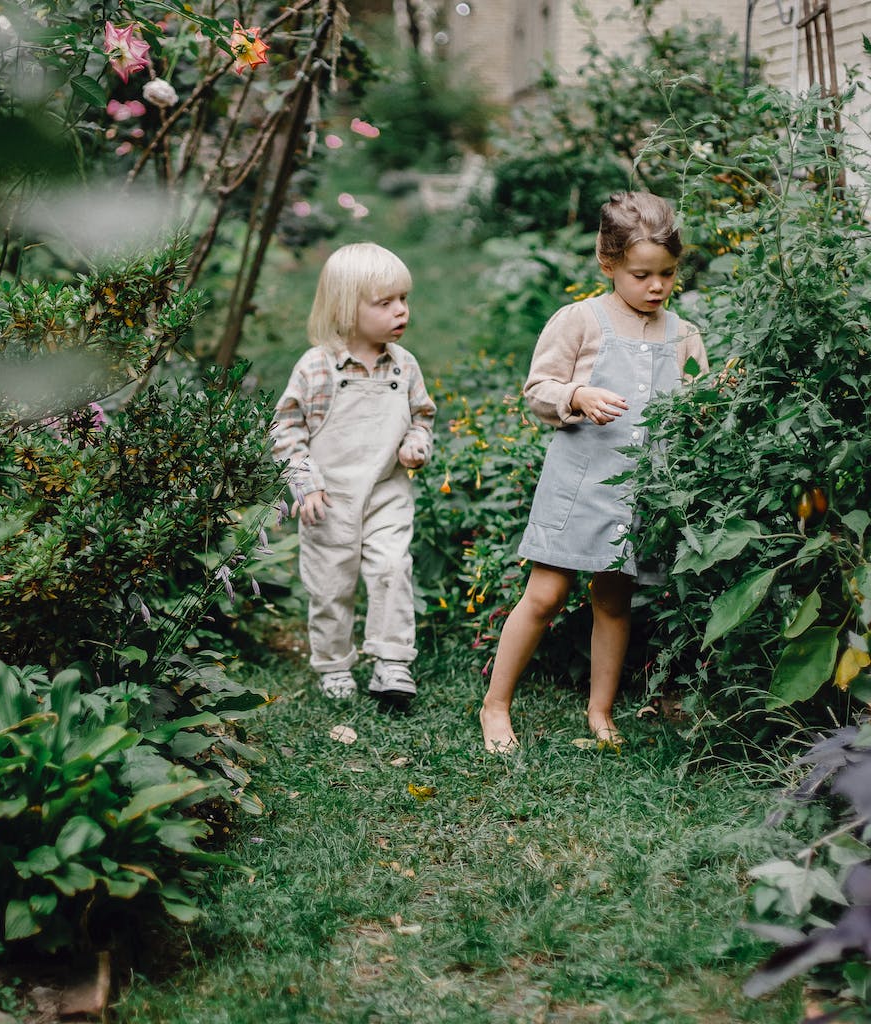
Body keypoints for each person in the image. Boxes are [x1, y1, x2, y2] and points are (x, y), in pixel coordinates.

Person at [479, 191, 709, 753]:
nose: (656, 286)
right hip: (580, 482)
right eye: (641, 274)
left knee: (614, 599)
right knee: (546, 594)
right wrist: (577, 393)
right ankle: (496, 705)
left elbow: (696, 404)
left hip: (641, 492)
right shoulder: (581, 319)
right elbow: (538, 390)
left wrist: (712, 401)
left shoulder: (683, 334)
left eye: (667, 274)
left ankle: (601, 711)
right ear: (608, 265)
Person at [271, 242, 436, 703]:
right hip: (330, 497)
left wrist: (414, 445)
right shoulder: (318, 368)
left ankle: (391, 662)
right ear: (346, 308)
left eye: (403, 299)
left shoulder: (404, 366)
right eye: (385, 303)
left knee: (391, 569)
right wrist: (305, 483)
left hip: (387, 489)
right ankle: (334, 663)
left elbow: (422, 415)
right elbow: (286, 427)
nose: (401, 311)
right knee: (331, 584)